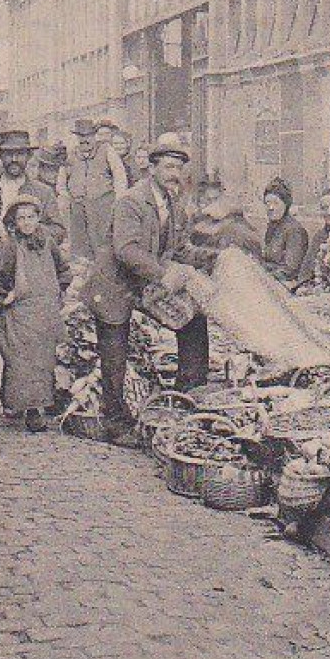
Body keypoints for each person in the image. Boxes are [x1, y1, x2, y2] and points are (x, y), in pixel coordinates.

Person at [84, 132, 210, 445]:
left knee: (194, 321)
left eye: (179, 169)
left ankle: (187, 398)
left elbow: (180, 249)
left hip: (142, 285)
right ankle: (115, 423)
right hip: (114, 286)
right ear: (151, 169)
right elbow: (127, 250)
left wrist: (214, 257)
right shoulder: (131, 200)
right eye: (168, 167)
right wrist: (162, 275)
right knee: (114, 350)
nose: (175, 175)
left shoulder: (173, 203)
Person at [0, 131, 66, 418]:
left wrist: (28, 235)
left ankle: (15, 401)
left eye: (20, 153)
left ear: (29, 156)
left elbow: (58, 229)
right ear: (0, 156)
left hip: (24, 273)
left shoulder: (42, 192)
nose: (14, 159)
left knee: (20, 340)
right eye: (9, 154)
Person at [0, 196, 73, 433]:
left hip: (45, 313)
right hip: (21, 313)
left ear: (38, 218)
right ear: (14, 222)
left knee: (43, 362)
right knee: (20, 361)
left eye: (31, 217)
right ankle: (26, 409)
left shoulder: (48, 242)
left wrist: (58, 290)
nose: (27, 222)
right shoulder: (9, 246)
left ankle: (35, 407)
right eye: (21, 218)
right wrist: (4, 295)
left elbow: (63, 270)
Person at [66, 117, 130, 264]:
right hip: (78, 207)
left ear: (94, 135)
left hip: (103, 206)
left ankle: (103, 273)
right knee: (79, 246)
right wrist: (68, 198)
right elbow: (62, 181)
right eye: (81, 136)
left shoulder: (107, 150)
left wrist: (118, 202)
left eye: (88, 136)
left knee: (102, 244)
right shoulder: (72, 154)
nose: (84, 140)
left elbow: (120, 176)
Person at [184, 177, 263, 268]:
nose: (211, 204)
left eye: (215, 199)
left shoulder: (234, 226)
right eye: (206, 200)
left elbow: (254, 249)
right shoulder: (194, 226)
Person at [260, 177, 310, 285]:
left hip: (286, 285)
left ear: (286, 204)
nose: (271, 207)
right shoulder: (272, 228)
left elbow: (290, 270)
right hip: (269, 280)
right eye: (267, 203)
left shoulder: (295, 231)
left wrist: (260, 274)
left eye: (275, 203)